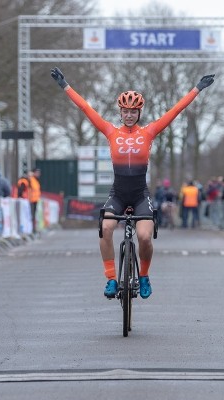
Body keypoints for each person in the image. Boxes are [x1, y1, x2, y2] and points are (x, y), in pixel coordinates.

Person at [51, 66, 215, 299]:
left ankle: (144, 275)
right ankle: (110, 279)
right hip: (118, 193)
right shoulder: (110, 132)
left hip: (140, 195)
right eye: (125, 111)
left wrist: (197, 89)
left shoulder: (149, 132)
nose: (129, 115)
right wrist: (65, 85)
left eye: (133, 111)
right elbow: (86, 108)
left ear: (139, 113)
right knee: (106, 228)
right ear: (120, 112)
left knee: (145, 237)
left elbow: (176, 109)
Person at [28, 168, 41, 233]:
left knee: (34, 215)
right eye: (37, 172)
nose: (38, 174)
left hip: (35, 200)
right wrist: (30, 175)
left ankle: (34, 228)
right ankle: (31, 229)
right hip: (31, 200)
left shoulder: (36, 181)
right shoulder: (31, 179)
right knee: (31, 215)